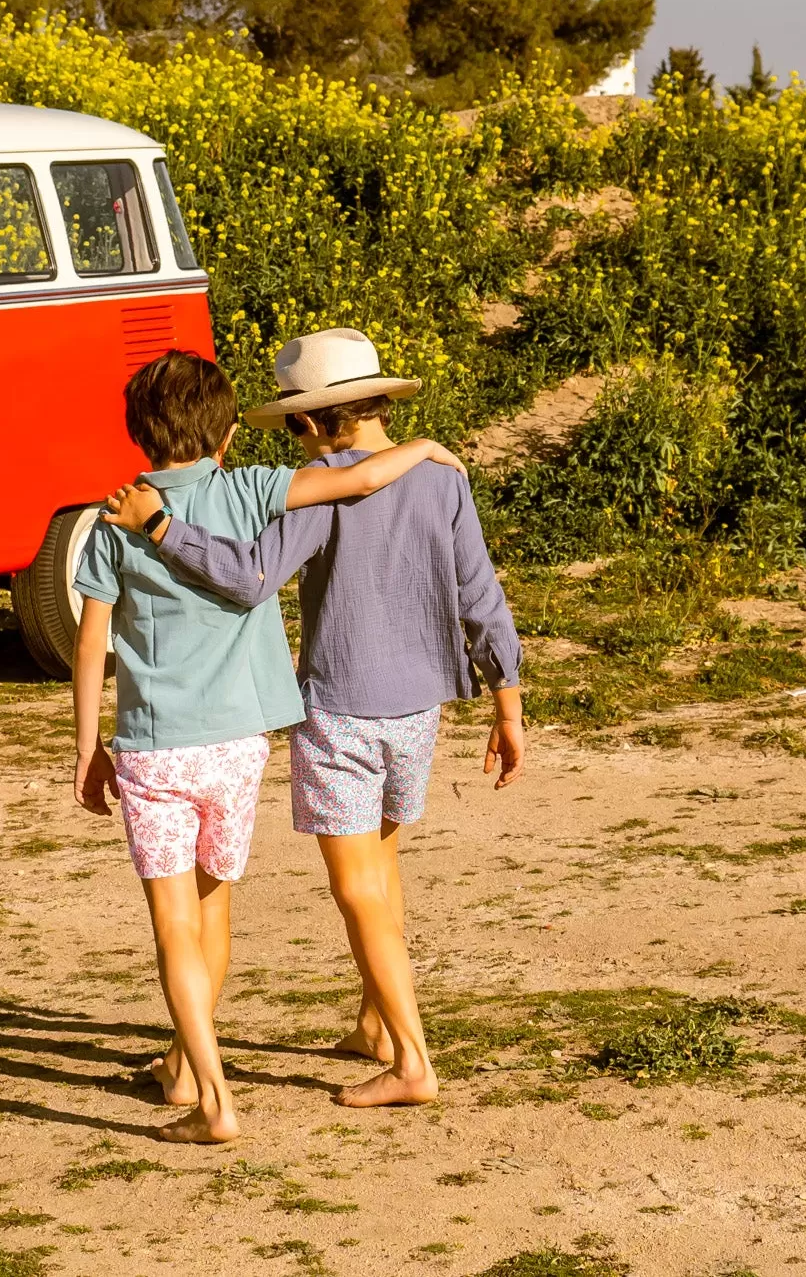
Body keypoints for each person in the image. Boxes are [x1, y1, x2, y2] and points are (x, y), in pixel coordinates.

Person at [104, 327, 523, 1110]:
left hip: (340, 707)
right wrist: (508, 700)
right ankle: (373, 1019)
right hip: (420, 706)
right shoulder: (439, 475)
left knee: (358, 886)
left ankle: (412, 1058)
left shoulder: (321, 481)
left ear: (307, 421)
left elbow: (251, 577)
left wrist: (166, 529)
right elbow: (479, 592)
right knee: (383, 871)